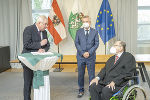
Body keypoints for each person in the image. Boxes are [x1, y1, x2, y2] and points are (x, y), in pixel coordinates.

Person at [21, 15, 50, 100]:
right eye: (45, 24)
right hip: (28, 60)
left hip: (40, 61)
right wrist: (40, 44)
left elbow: (47, 45)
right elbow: (26, 45)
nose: (46, 26)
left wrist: (43, 50)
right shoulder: (28, 29)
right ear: (39, 23)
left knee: (39, 81)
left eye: (47, 24)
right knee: (28, 82)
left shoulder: (44, 32)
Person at [75, 15, 99, 98]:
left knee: (91, 75)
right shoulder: (78, 31)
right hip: (80, 57)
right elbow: (77, 43)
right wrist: (82, 53)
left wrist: (89, 52)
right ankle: (81, 90)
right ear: (82, 23)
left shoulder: (95, 32)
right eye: (84, 21)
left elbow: (96, 44)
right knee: (81, 74)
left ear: (90, 22)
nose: (86, 23)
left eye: (87, 21)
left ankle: (91, 90)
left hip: (91, 57)